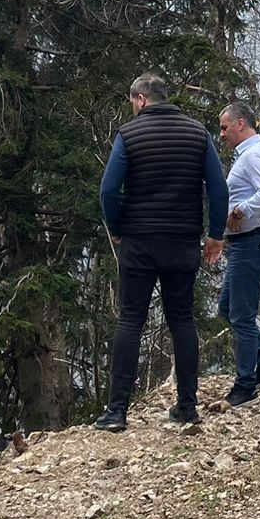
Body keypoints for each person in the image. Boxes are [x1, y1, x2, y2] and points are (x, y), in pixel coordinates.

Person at [96, 73, 229, 431]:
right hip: (183, 240)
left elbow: (108, 191)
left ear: (140, 100)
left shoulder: (128, 135)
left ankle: (117, 411)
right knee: (182, 320)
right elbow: (218, 189)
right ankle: (187, 406)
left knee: (130, 320)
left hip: (139, 241)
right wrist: (215, 235)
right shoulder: (197, 134)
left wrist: (117, 226)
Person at [217, 101, 260, 407]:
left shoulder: (254, 155)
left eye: (224, 127)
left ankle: (246, 385)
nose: (222, 134)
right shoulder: (251, 154)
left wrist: (240, 211)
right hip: (245, 244)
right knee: (228, 307)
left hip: (252, 242)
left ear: (241, 124)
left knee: (241, 316)